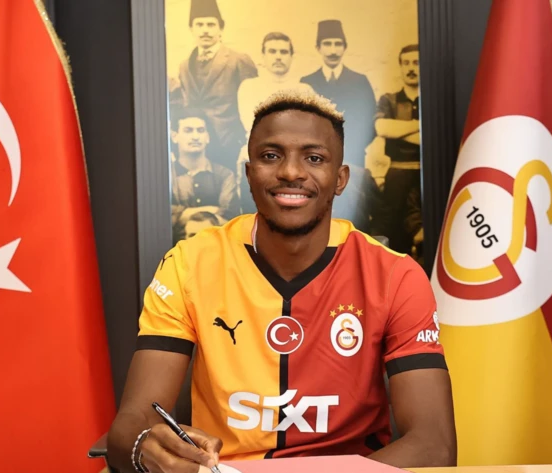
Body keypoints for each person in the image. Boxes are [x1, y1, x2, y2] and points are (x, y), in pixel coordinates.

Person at [107, 90, 456, 472]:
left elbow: (434, 445)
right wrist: (145, 447)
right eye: (271, 156)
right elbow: (131, 424)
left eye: (314, 158)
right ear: (249, 174)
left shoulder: (395, 275)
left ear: (340, 179)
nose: (291, 172)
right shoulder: (189, 264)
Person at [171, 0, 258, 173]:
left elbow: (253, 104)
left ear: (221, 28)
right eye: (199, 25)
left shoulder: (238, 61)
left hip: (230, 144)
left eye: (211, 25)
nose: (205, 30)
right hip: (198, 146)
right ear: (191, 29)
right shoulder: (184, 66)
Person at [236, 32, 315, 214]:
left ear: (291, 56)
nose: (278, 57)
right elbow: (253, 125)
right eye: (272, 51)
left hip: (294, 164)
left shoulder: (304, 89)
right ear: (263, 56)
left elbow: (305, 131)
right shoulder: (249, 87)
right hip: (257, 158)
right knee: (252, 214)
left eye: (283, 52)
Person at [300, 19, 376, 168]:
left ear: (345, 47)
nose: (333, 51)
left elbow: (371, 123)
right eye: (327, 44)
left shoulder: (360, 82)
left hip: (353, 157)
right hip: (314, 159)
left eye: (338, 44)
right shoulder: (306, 82)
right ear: (318, 48)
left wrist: (352, 146)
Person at [374, 44, 421, 255]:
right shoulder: (389, 100)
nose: (411, 68)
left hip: (427, 176)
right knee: (393, 233)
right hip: (397, 175)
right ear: (400, 67)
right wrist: (420, 125)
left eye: (416, 63)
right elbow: (382, 128)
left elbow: (436, 137)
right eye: (406, 63)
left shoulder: (432, 99)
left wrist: (399, 130)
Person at [170, 107, 240, 242]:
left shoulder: (224, 175)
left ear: (207, 137)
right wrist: (212, 210)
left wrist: (182, 214)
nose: (195, 136)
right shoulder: (167, 176)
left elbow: (230, 218)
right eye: (188, 130)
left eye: (200, 130)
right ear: (174, 136)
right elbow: (162, 216)